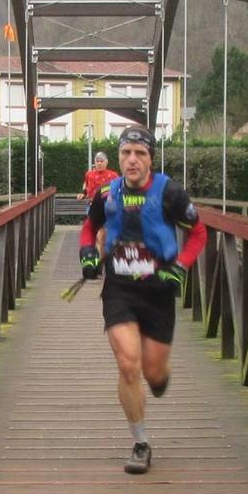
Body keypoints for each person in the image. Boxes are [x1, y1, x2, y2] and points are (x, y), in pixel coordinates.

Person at [79, 126, 206, 474]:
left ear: (151, 159)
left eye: (140, 154)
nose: (132, 160)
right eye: (126, 154)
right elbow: (89, 227)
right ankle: (140, 442)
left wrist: (181, 266)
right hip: (120, 289)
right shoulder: (107, 193)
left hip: (159, 290)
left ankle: (160, 376)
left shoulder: (170, 193)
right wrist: (88, 253)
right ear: (118, 158)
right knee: (127, 363)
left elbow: (198, 233)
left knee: (154, 372)